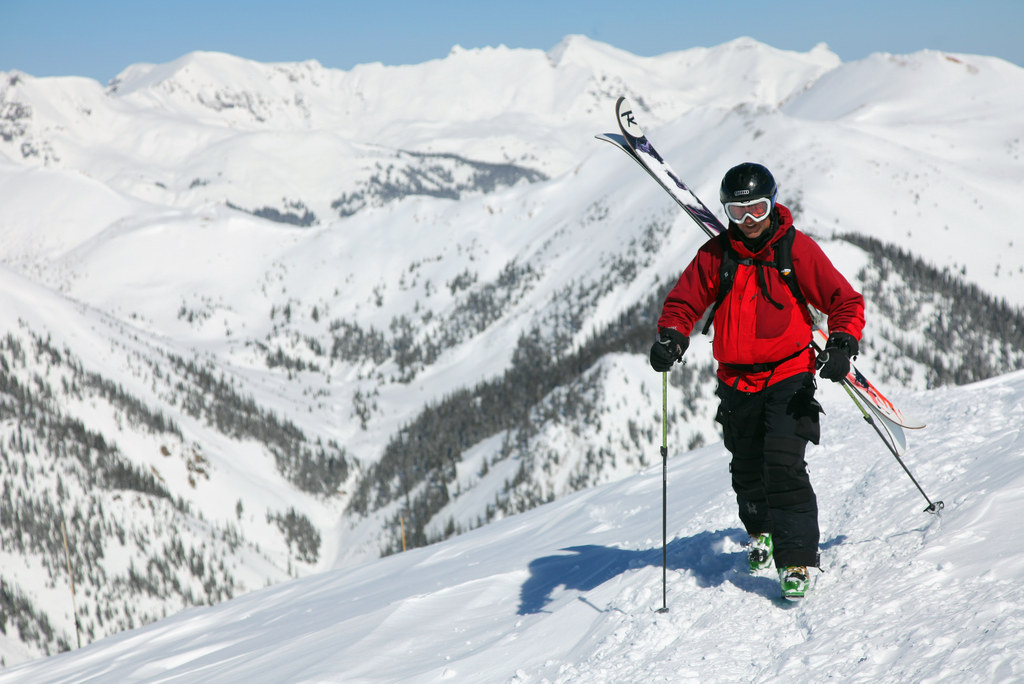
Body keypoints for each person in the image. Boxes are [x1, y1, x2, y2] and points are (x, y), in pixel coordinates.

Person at [649, 162, 864, 601]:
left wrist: (842, 344)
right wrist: (672, 337)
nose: (749, 221)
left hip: (789, 375)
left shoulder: (796, 251)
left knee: (783, 467)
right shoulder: (716, 254)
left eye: (758, 209)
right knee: (747, 467)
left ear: (773, 203)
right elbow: (684, 301)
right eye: (737, 212)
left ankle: (796, 559)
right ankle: (761, 531)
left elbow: (844, 300)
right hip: (735, 381)